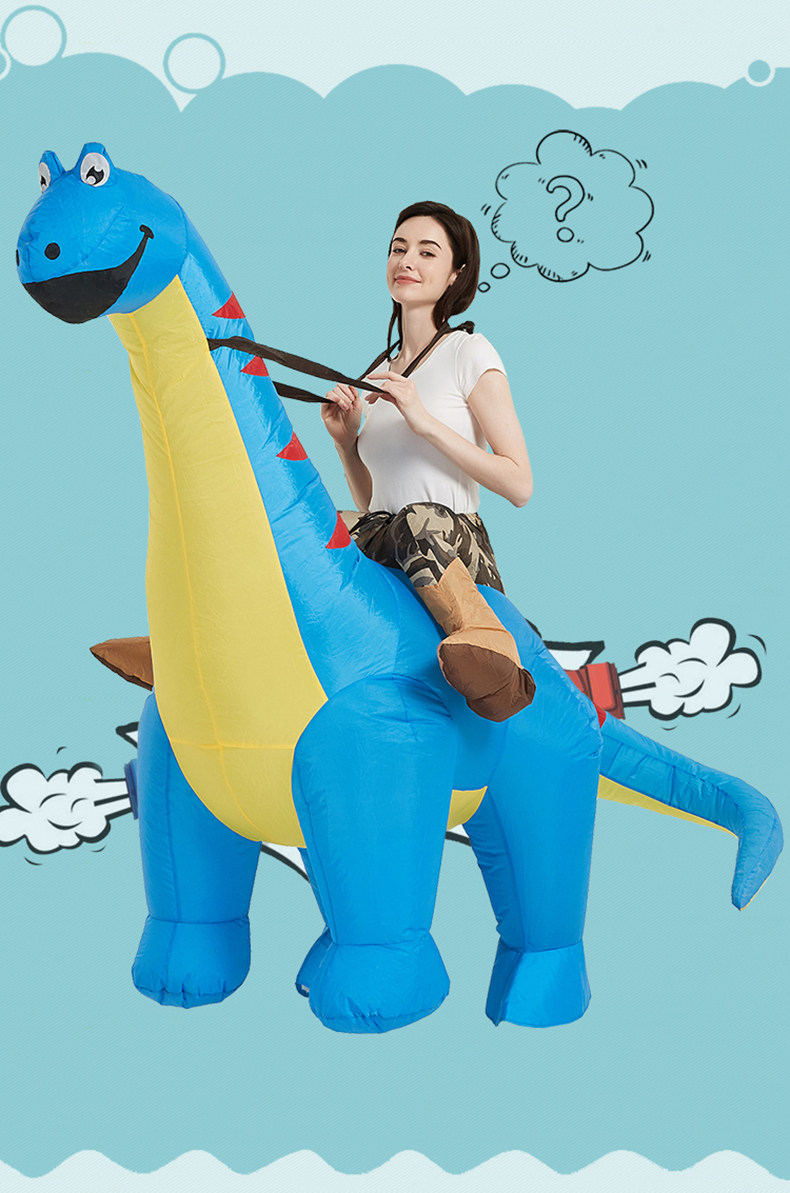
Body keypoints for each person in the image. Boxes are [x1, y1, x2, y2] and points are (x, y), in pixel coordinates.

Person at [321, 201, 535, 722]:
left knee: (418, 518)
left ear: (456, 273)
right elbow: (375, 506)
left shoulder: (469, 351)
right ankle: (203, 650)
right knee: (314, 528)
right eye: (398, 248)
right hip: (397, 535)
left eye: (426, 251)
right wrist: (346, 443)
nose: (407, 261)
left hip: (455, 542)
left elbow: (520, 484)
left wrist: (425, 422)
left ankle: (494, 655)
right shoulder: (378, 371)